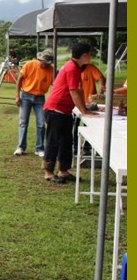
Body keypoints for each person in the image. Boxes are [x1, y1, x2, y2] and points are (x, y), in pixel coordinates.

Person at [42, 42, 97, 183]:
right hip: (56, 109)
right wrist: (84, 111)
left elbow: (79, 91)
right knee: (54, 141)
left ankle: (63, 171)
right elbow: (73, 92)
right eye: (89, 54)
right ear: (84, 55)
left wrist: (85, 107)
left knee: (67, 141)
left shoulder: (77, 68)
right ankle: (48, 172)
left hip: (65, 111)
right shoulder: (72, 68)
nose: (91, 56)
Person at [13, 49, 55, 157]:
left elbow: (54, 85)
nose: (45, 65)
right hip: (26, 95)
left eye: (47, 64)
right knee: (23, 122)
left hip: (40, 98)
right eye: (44, 63)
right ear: (40, 59)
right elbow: (19, 80)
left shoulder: (51, 70)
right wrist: (18, 96)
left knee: (41, 123)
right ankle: (21, 147)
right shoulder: (29, 65)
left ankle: (39, 148)